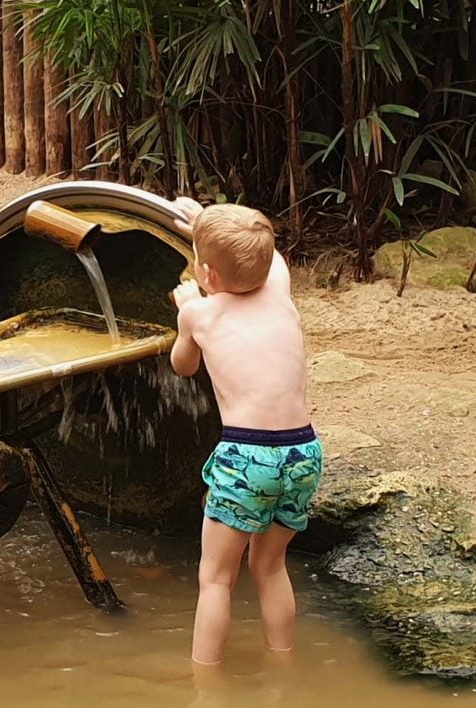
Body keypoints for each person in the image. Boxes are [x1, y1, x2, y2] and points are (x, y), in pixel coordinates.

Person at [169, 197, 323, 667]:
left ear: (208, 275)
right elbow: (269, 256)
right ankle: (282, 662)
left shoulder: (202, 314)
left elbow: (182, 366)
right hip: (303, 452)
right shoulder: (279, 290)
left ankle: (205, 681)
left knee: (216, 578)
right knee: (270, 565)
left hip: (247, 457)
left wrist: (187, 307)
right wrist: (207, 224)